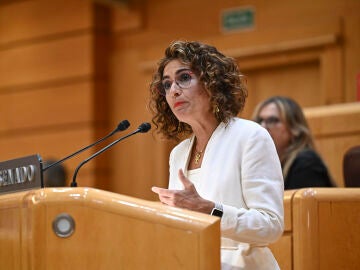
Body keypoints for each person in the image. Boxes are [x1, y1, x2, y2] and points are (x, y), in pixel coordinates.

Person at [149, 41, 284, 270]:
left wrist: (210, 209)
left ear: (211, 82)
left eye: (184, 78)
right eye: (167, 84)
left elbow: (270, 226)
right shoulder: (178, 154)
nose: (173, 90)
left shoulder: (250, 137)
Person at [252, 96, 334, 190]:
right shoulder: (264, 163)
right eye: (259, 121)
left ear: (294, 129)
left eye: (272, 120)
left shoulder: (306, 163)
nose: (262, 127)